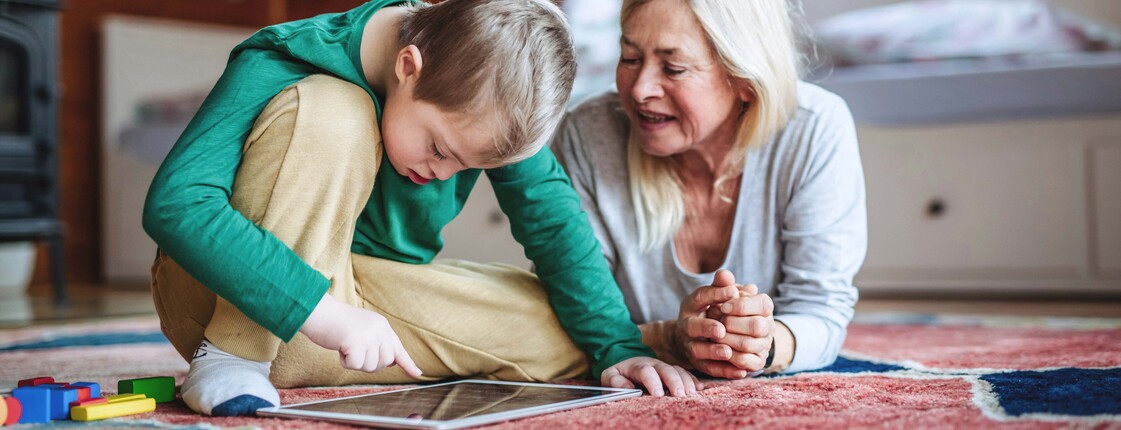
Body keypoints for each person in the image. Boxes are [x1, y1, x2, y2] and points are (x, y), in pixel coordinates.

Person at [143, 0, 700, 417]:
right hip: (227, 307)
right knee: (333, 109)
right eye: (438, 149)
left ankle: (651, 338)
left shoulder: (487, 95)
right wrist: (321, 312)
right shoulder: (285, 55)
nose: (441, 173)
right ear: (409, 65)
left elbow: (552, 221)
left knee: (568, 329)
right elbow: (176, 204)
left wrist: (617, 345)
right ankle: (236, 358)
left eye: (464, 166)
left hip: (363, 319)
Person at [553, 0, 866, 379]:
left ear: (744, 80)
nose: (640, 90)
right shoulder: (587, 133)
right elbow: (568, 310)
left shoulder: (814, 128)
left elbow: (820, 312)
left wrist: (762, 345)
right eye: (630, 58)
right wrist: (669, 338)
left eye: (674, 68)